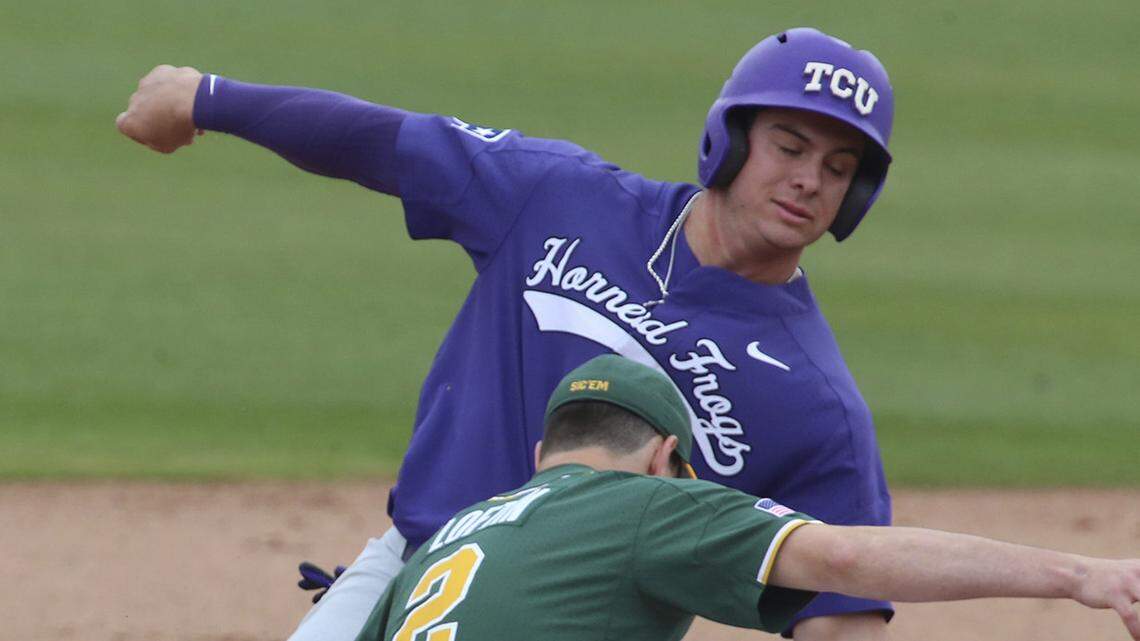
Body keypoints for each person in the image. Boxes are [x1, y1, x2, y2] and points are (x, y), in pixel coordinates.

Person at [117, 28, 899, 640]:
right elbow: (384, 143)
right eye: (789, 147)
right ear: (729, 141)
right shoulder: (559, 199)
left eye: (837, 167)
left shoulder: (815, 403)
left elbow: (841, 609)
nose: (808, 179)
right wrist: (206, 97)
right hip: (413, 573)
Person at [354, 355, 1140, 641]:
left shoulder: (448, 538)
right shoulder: (645, 503)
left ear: (541, 457)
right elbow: (842, 554)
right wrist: (1082, 576)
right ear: (666, 457)